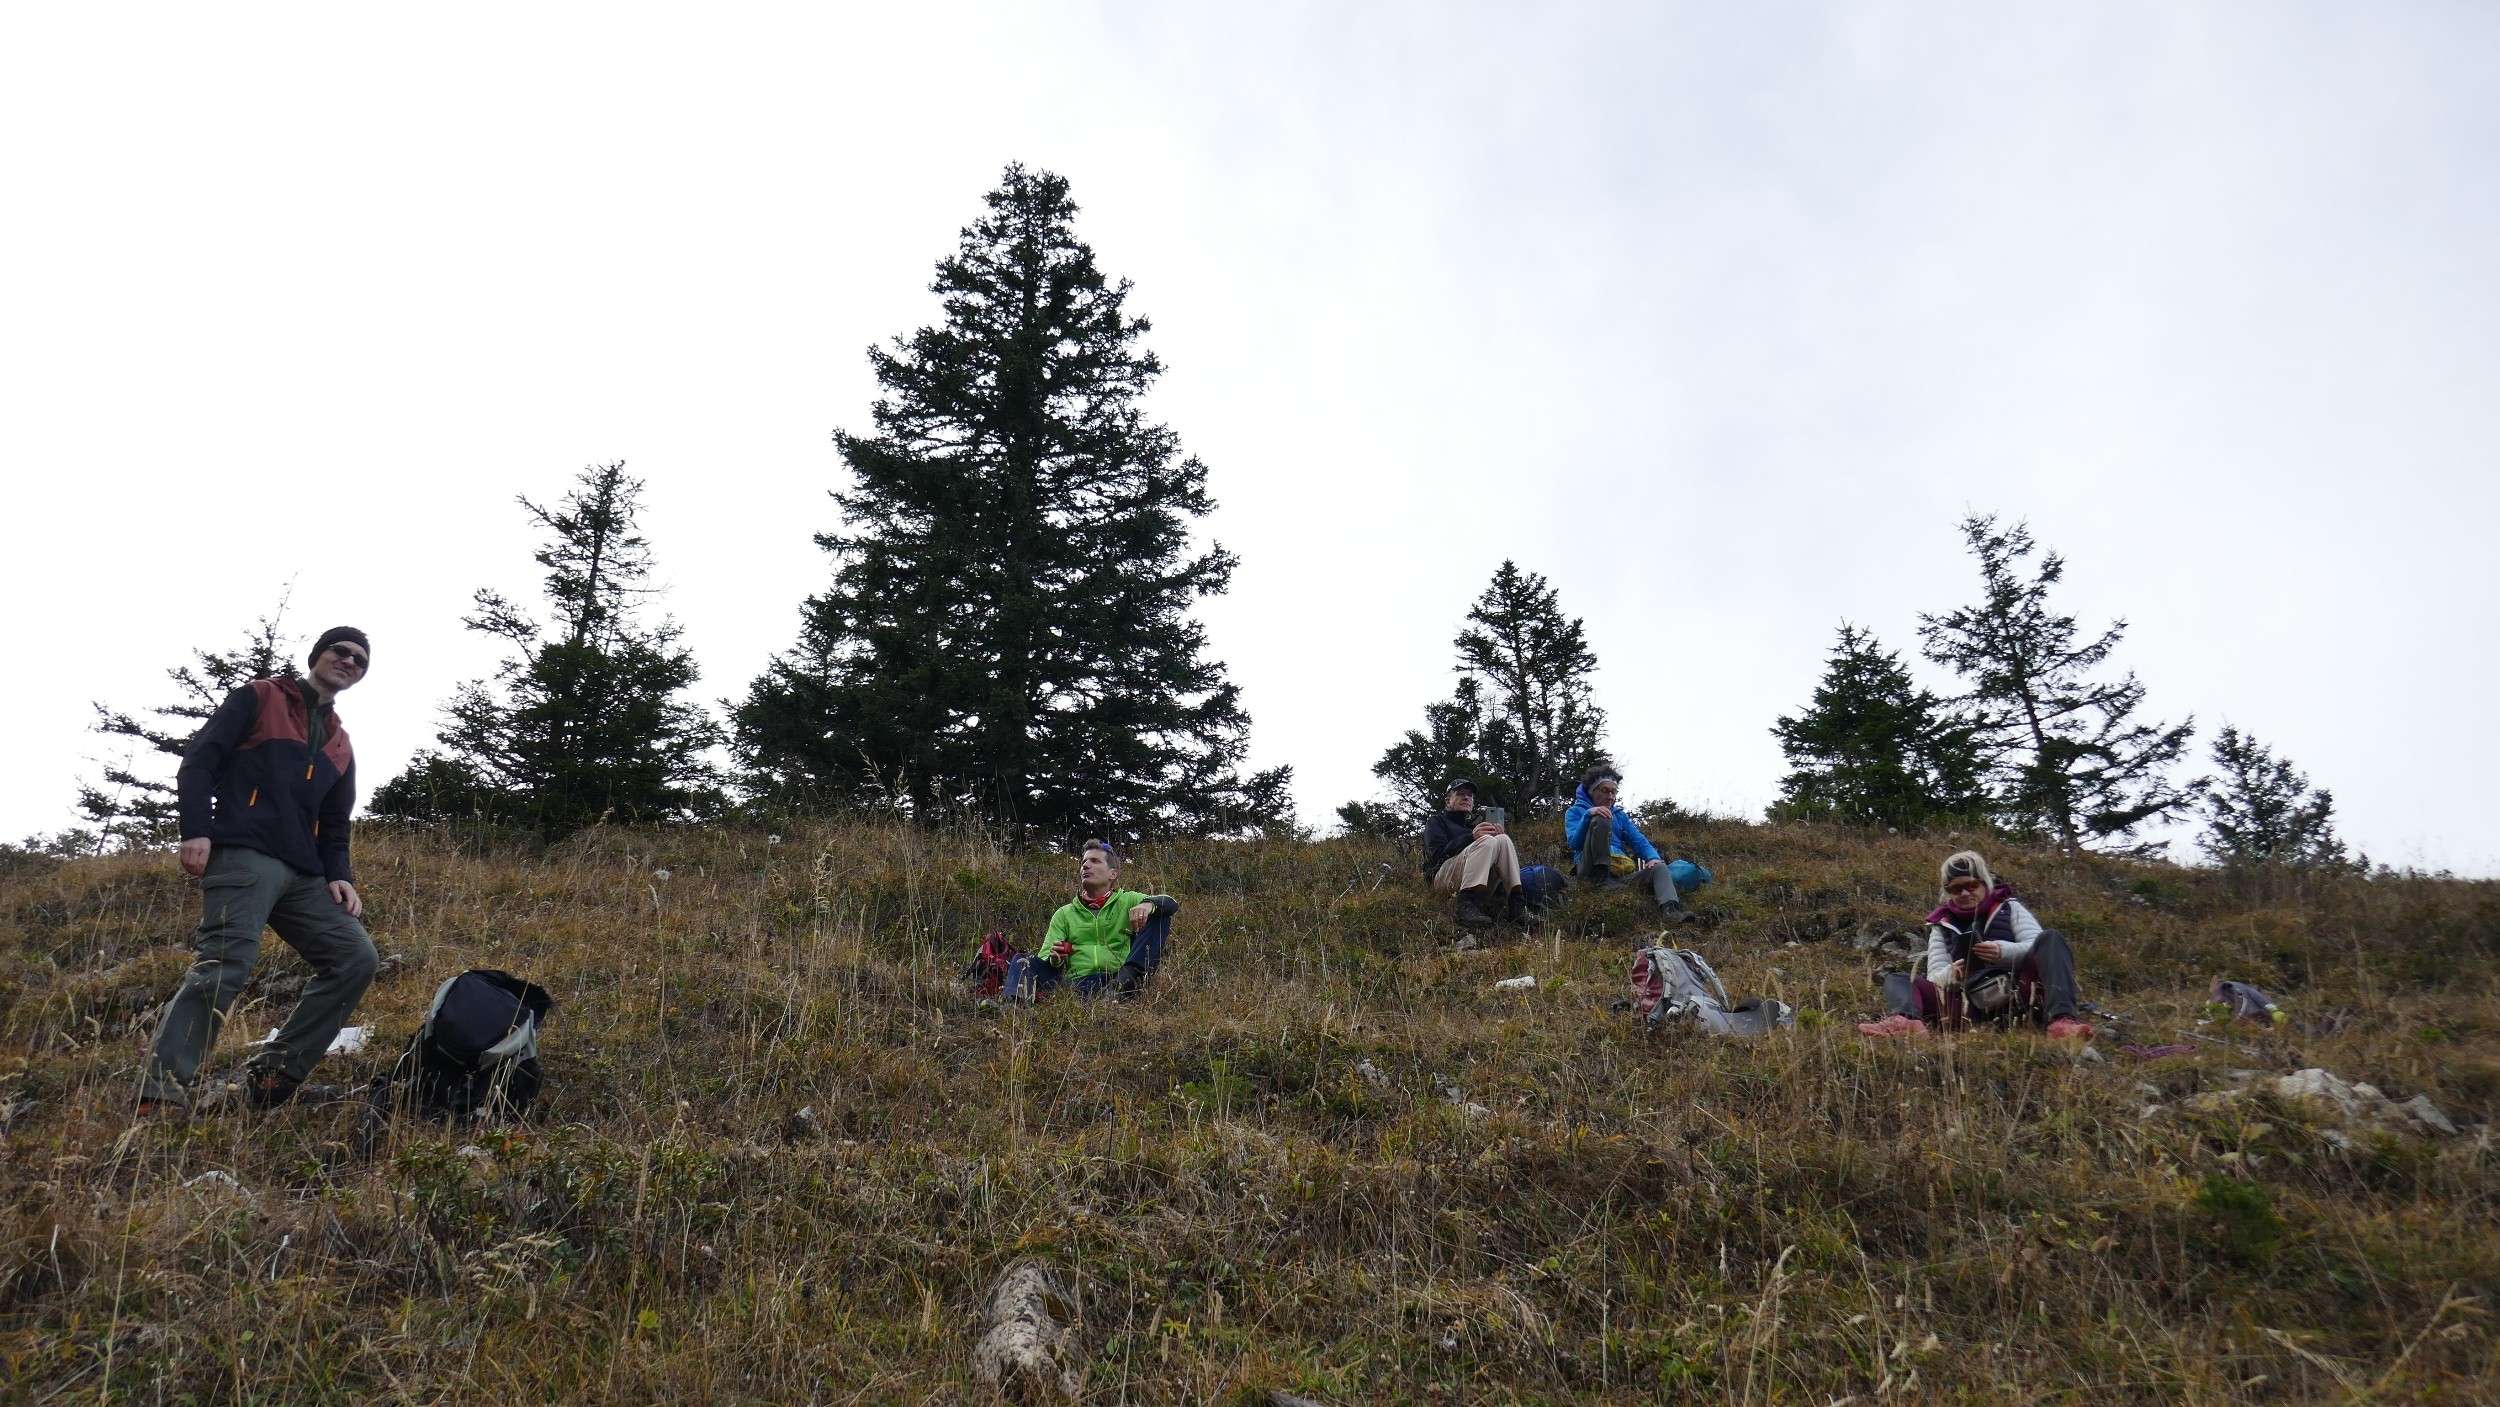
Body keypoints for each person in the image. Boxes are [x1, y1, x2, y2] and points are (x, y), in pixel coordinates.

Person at [139, 627, 383, 1113]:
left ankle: (274, 1074)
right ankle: (159, 1094)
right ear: (318, 655)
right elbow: (199, 762)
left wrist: (341, 875)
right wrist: (196, 829)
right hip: (244, 853)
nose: (349, 662)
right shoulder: (260, 697)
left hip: (305, 874)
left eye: (360, 660)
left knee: (356, 958)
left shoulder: (341, 742)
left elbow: (335, 822)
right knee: (223, 967)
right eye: (341, 651)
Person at [1859, 850, 2094, 1040]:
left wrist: (2002, 952)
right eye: (1954, 888)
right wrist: (1954, 974)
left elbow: (2036, 945)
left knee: (2051, 938)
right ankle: (1906, 1022)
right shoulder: (1941, 925)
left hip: (2020, 993)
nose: (1964, 893)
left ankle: (2061, 1021)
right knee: (1899, 979)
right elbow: (1934, 976)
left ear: (1984, 884)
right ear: (1947, 892)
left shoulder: (2009, 907)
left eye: (1971, 885)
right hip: (1969, 1006)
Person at [1007, 840, 1178, 1001]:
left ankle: (1120, 989)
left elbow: (1171, 903)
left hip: (1116, 980)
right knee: (1023, 960)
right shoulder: (1064, 913)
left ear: (1113, 874)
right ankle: (1012, 1007)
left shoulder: (1128, 900)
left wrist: (1148, 905)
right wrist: (1055, 959)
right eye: (1083, 862)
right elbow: (1045, 958)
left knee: (1160, 914)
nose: (1086, 866)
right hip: (1073, 985)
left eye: (1095, 861)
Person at [1564, 766, 1691, 918]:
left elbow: (1639, 841)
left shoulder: (1620, 815)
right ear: (1592, 791)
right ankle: (1600, 878)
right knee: (1601, 817)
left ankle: (1672, 910)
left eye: (1614, 792)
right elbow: (1574, 844)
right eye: (1605, 791)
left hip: (1618, 873)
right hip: (1588, 869)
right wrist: (1588, 815)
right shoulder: (1575, 812)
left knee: (1660, 868)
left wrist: (1653, 858)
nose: (1610, 796)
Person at [1420, 778, 1532, 929]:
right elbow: (1434, 854)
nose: (1466, 797)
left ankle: (1517, 903)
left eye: (1470, 795)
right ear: (1448, 801)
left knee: (1503, 839)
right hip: (1443, 879)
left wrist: (1494, 843)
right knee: (1487, 840)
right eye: (1460, 794)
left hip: (1477, 881)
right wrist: (1471, 838)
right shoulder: (1436, 822)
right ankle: (1464, 904)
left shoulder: (1475, 827)